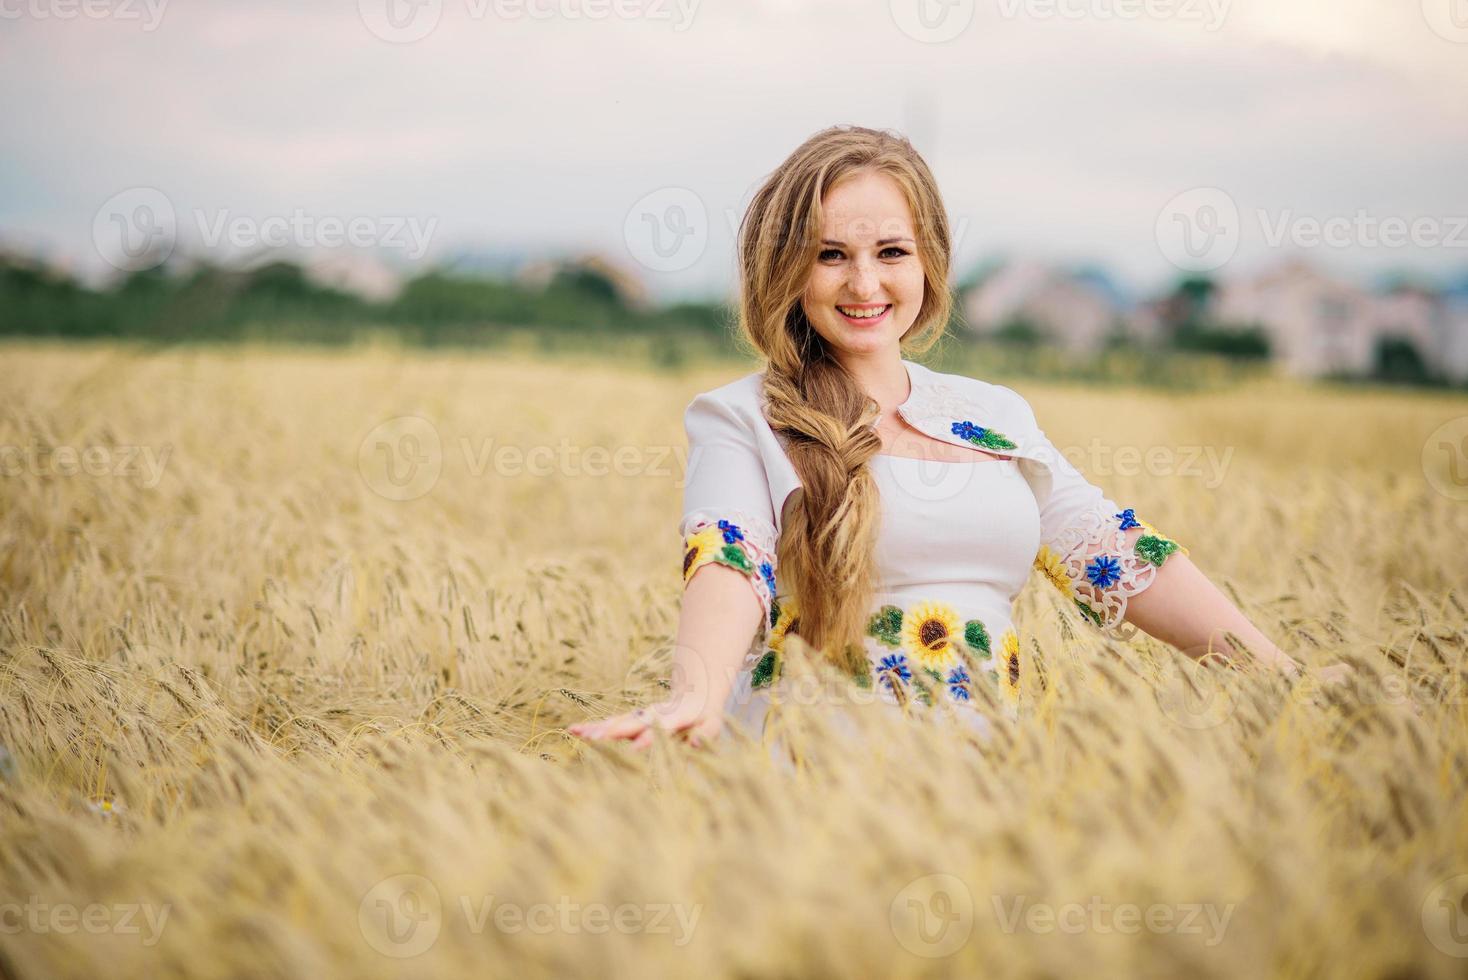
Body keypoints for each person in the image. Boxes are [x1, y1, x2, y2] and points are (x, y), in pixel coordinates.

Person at [570, 125, 1347, 753]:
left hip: (982, 791)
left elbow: (1115, 551)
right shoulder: (742, 416)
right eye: (830, 254)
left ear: (930, 262)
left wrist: (1282, 676)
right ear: (785, 270)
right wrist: (696, 698)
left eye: (891, 253)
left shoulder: (996, 414)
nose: (864, 283)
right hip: (806, 798)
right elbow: (727, 559)